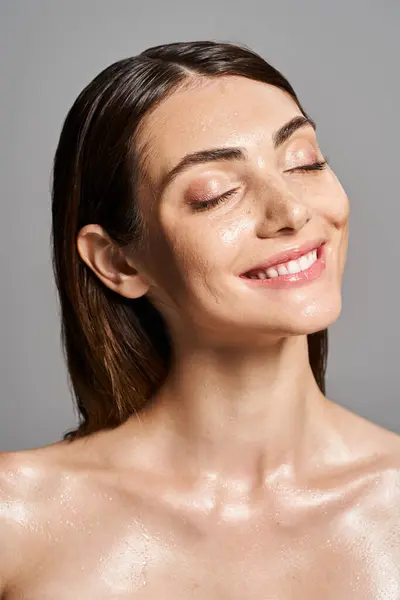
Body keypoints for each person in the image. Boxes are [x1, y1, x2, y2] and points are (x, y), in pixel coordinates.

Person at [0, 40, 399, 598]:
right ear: (118, 261)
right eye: (216, 194)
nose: (291, 212)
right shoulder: (16, 517)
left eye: (304, 162)